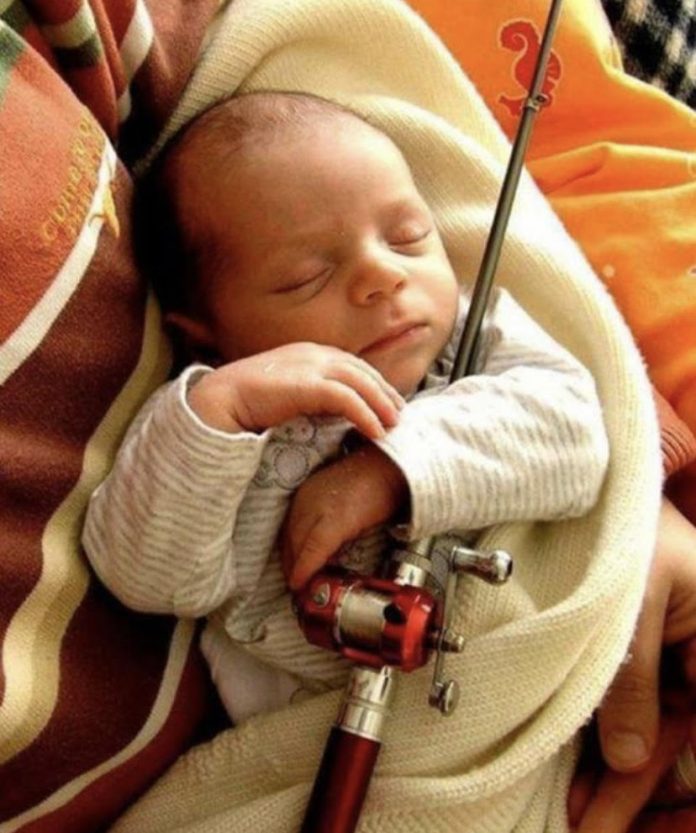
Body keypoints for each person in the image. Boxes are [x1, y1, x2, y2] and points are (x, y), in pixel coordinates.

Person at [82, 90, 609, 725]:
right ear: (207, 337)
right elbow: (147, 581)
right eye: (306, 277)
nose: (383, 275)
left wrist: (387, 472)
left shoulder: (472, 339)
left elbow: (575, 435)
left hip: (531, 679)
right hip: (321, 738)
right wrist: (222, 408)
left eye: (408, 237)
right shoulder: (214, 427)